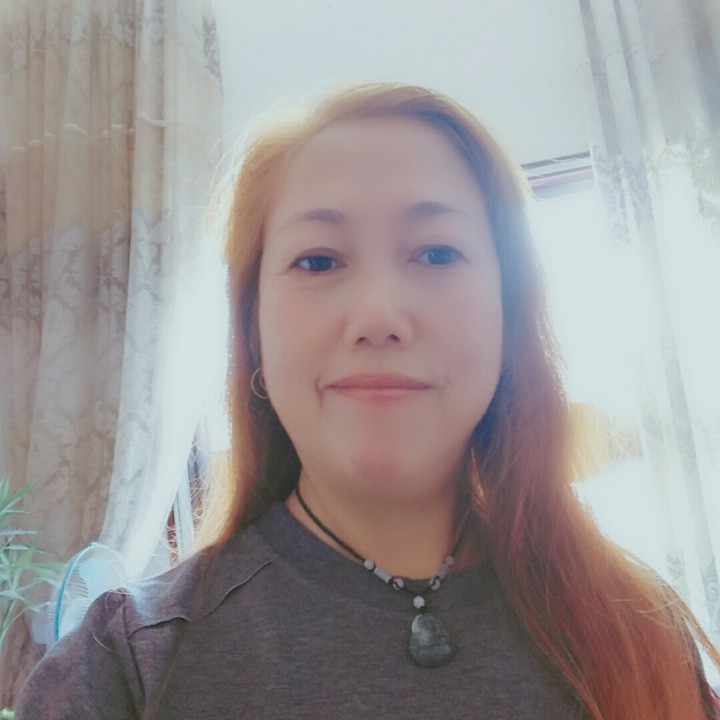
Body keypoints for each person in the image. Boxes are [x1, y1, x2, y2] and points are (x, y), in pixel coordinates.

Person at [15, 83, 720, 719]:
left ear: (510, 314)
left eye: (437, 253)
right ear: (252, 331)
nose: (378, 315)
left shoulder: (636, 631)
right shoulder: (124, 667)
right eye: (318, 260)